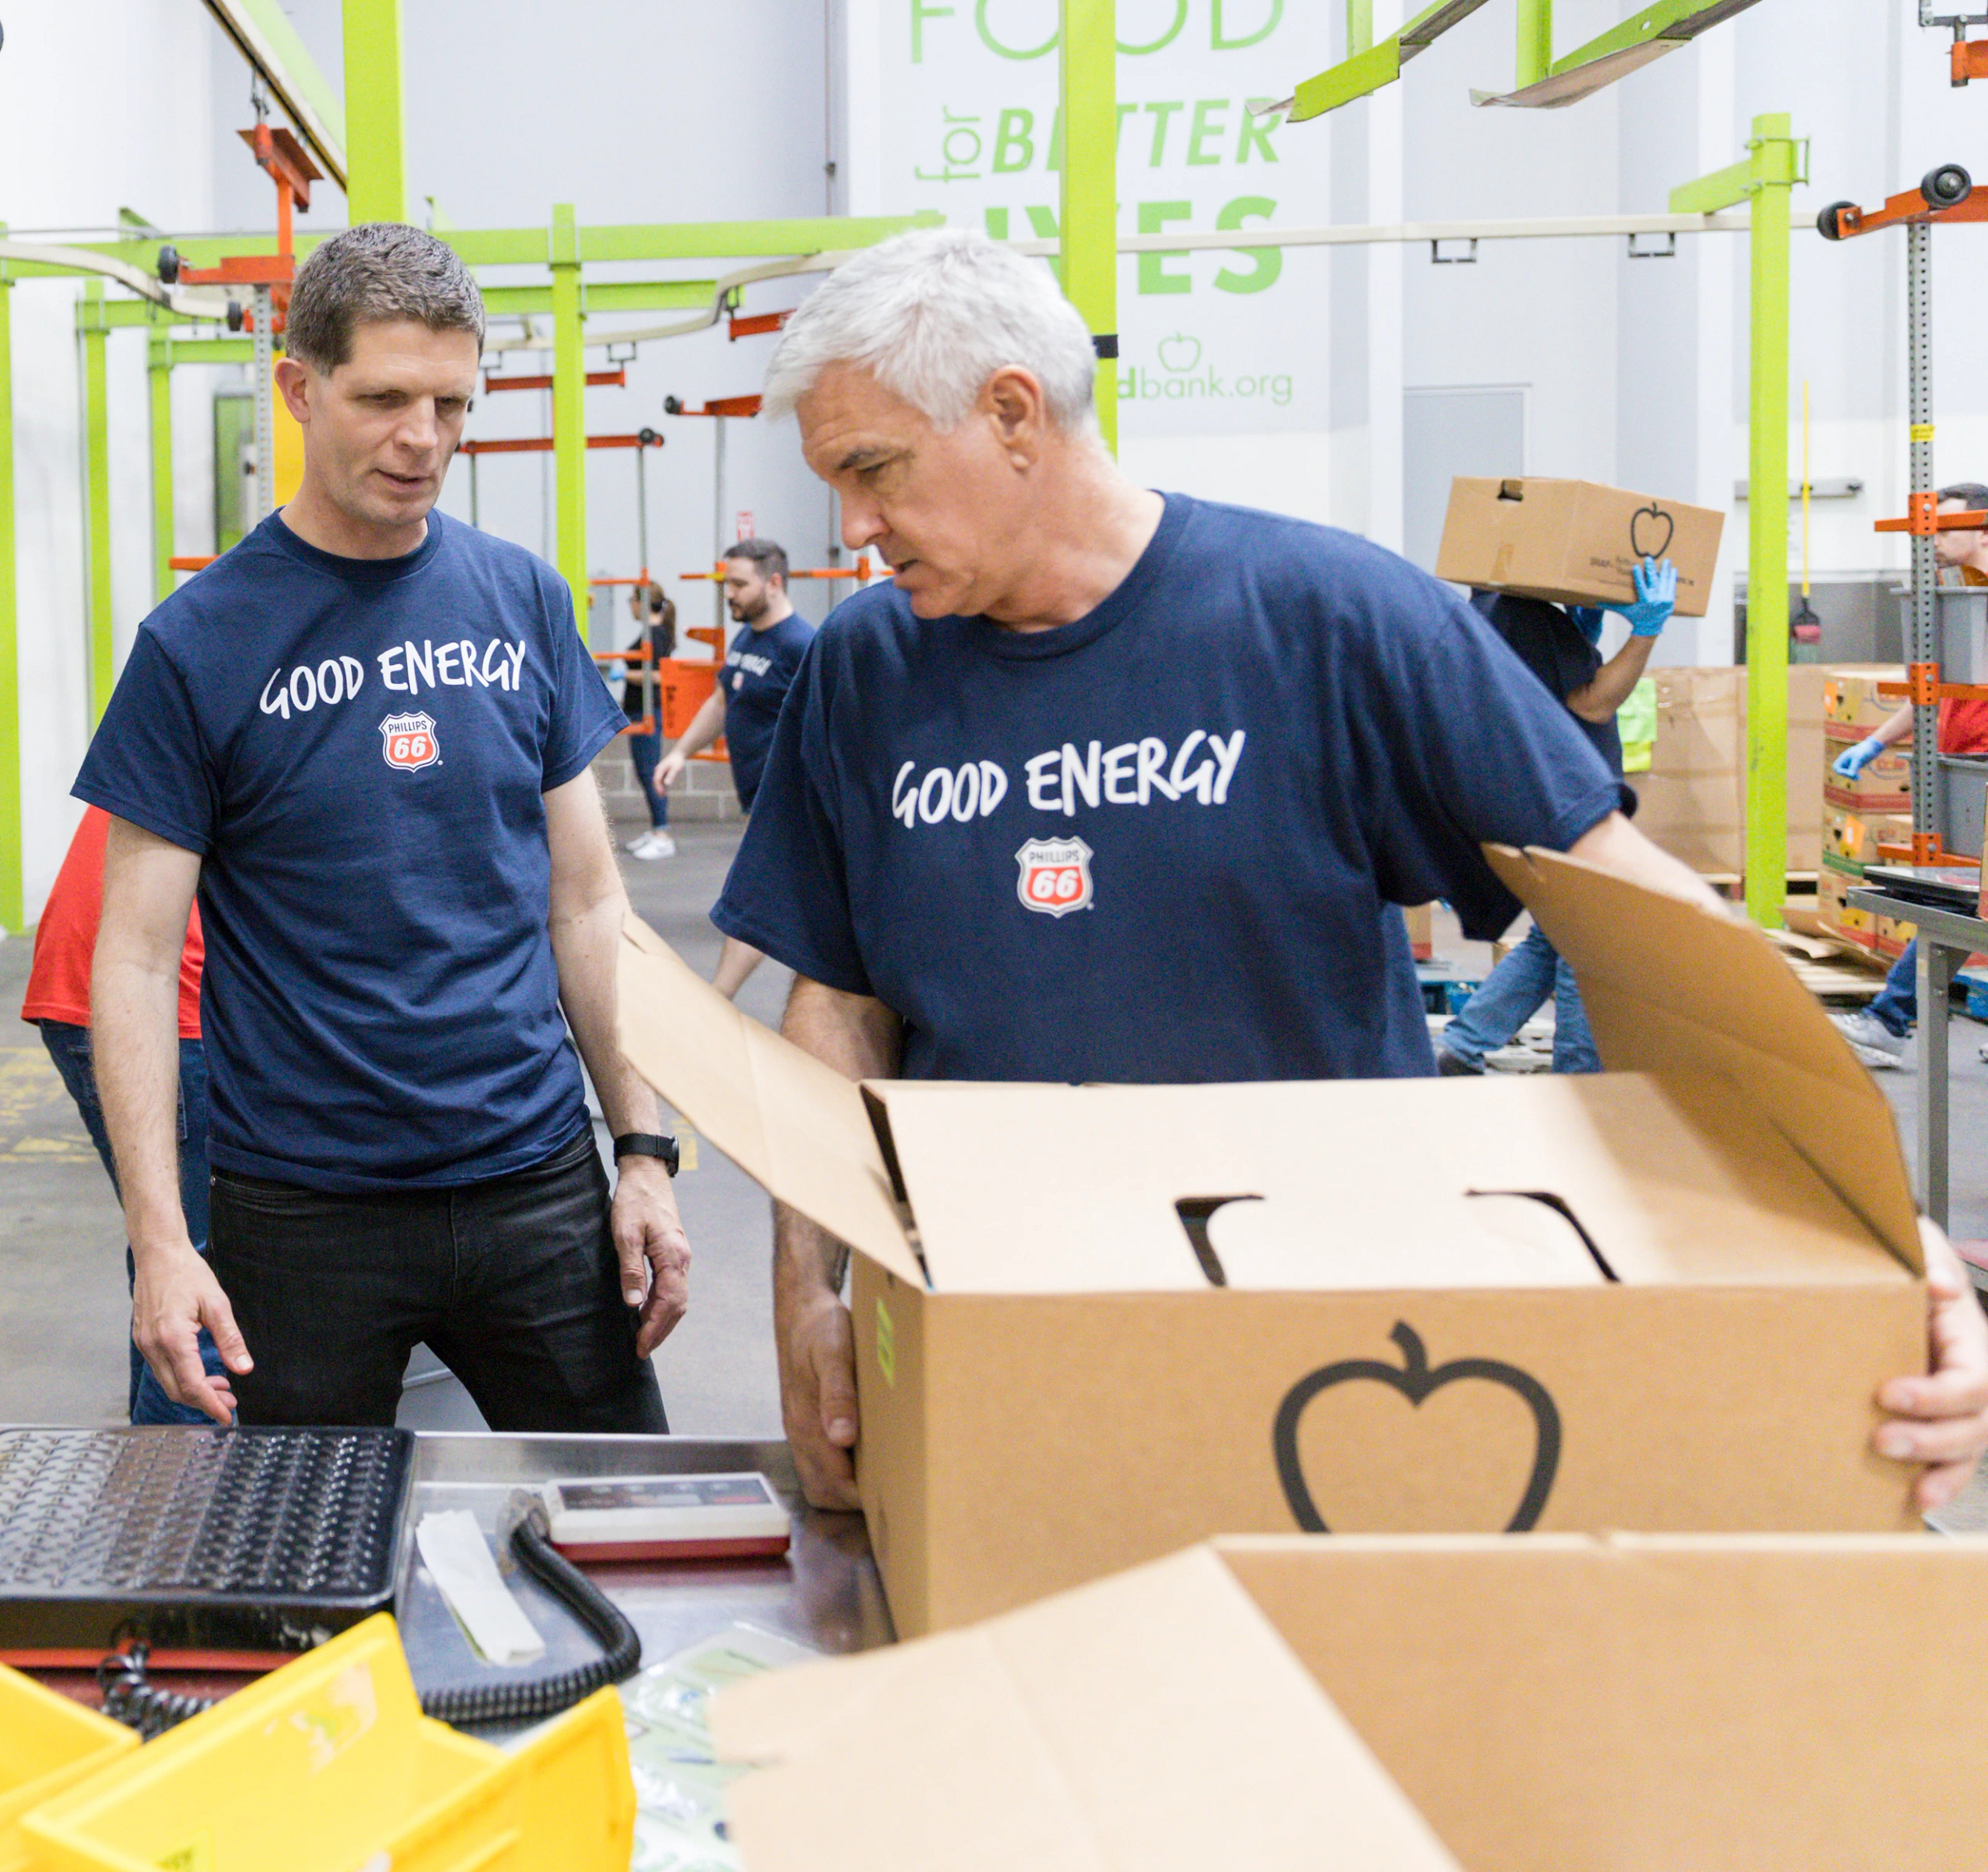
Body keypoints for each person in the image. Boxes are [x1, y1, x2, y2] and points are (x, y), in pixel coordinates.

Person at [711, 228, 1988, 1519]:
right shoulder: (868, 672)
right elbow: (837, 1001)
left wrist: (1870, 1225)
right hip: (988, 1335)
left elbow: (1645, 928)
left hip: (1322, 1347)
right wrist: (811, 1296)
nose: (853, 526)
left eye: (872, 471)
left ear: (1011, 413)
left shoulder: (1330, 619)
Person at [80, 222, 691, 1430]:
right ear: (299, 387)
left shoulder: (520, 596)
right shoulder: (198, 642)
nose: (424, 441)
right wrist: (160, 1236)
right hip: (302, 1209)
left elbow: (587, 899)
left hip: (534, 1179)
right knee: (287, 1583)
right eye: (385, 398)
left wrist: (642, 1151)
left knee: (624, 1525)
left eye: (453, 404)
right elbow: (138, 957)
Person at [1437, 559, 1681, 1075]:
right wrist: (1645, 634)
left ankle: (1462, 1044)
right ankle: (1578, 1075)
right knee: (1585, 936)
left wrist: (1580, 631)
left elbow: (1545, 690)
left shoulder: (1494, 609)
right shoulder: (1523, 617)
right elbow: (1590, 704)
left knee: (1553, 937)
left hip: (1538, 801)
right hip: (1567, 806)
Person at [21, 804, 218, 1424]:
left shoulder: (199, 713)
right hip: (157, 1008)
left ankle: (152, 1476)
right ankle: (179, 1502)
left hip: (85, 982)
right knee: (207, 1281)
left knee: (166, 1251)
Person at [1832, 480, 1988, 1069]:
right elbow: (1928, 689)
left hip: (1981, 772)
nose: (1935, 537)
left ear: (1983, 529)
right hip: (1961, 772)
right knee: (1961, 902)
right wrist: (1872, 741)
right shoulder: (1950, 598)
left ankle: (1887, 1019)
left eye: (1947, 526)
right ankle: (1888, 1018)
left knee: (1958, 905)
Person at [655, 538, 819, 998]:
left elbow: (830, 724)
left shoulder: (802, 646)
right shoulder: (748, 638)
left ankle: (714, 1003)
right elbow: (724, 699)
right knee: (782, 905)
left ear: (774, 582)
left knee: (755, 900)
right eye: (726, 583)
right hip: (760, 799)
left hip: (789, 801)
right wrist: (679, 752)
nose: (729, 593)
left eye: (739, 584)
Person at [618, 582, 680, 861]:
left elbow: (659, 676)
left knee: (650, 771)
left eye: (632, 599)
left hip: (648, 711)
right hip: (638, 709)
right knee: (645, 771)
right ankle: (656, 829)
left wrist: (624, 675)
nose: (630, 605)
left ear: (642, 603)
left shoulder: (656, 635)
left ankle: (662, 834)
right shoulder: (652, 632)